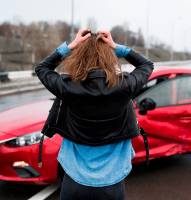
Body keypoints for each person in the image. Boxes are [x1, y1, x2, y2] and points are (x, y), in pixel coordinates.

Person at [35, 29, 154, 200]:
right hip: (112, 184)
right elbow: (146, 65)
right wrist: (116, 47)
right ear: (110, 57)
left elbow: (42, 68)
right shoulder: (125, 86)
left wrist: (71, 45)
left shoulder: (68, 87)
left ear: (79, 57)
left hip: (74, 182)